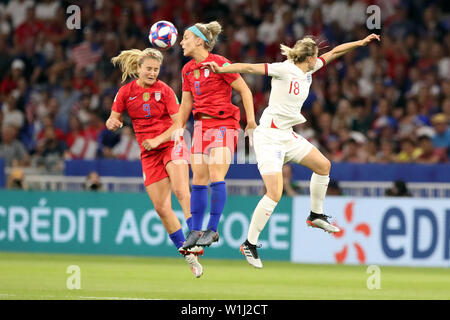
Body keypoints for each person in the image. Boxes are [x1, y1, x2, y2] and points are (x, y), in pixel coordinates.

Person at [203, 33, 380, 268]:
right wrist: (221, 69)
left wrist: (359, 42)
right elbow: (248, 67)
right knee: (274, 193)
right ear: (309, 58)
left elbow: (335, 52)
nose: (319, 60)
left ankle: (315, 215)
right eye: (316, 56)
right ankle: (249, 243)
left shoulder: (308, 69)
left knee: (323, 165)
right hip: (269, 136)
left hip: (287, 135)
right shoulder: (283, 69)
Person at [106, 48, 203, 278]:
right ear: (138, 68)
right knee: (161, 208)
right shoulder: (125, 93)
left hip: (172, 144)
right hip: (149, 153)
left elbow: (179, 124)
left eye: (156, 69)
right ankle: (189, 255)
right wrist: (112, 122)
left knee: (181, 189)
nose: (152, 73)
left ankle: (195, 235)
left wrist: (158, 139)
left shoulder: (166, 91)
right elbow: (114, 117)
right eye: (148, 68)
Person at [163, 21, 257, 249]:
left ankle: (212, 229)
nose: (181, 42)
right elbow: (186, 103)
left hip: (225, 123)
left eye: (185, 37)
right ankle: (195, 230)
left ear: (198, 41)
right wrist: (179, 126)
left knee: (216, 172)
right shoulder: (187, 69)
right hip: (201, 127)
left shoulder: (219, 63)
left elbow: (244, 89)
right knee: (198, 179)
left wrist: (251, 121)